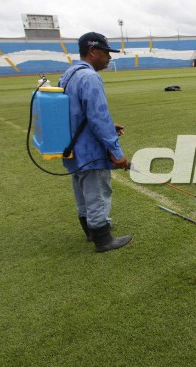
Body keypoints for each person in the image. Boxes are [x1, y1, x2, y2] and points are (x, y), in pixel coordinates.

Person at [58, 32, 132, 253]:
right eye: (106, 52)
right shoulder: (90, 78)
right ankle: (103, 238)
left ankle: (90, 231)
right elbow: (98, 118)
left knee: (82, 191)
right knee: (98, 191)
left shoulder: (68, 75)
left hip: (73, 148)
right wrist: (116, 152)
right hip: (91, 150)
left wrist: (110, 125)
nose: (109, 57)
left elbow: (76, 113)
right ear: (92, 51)